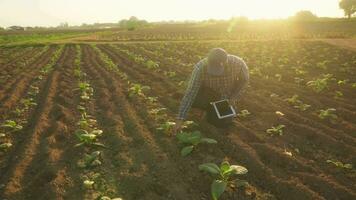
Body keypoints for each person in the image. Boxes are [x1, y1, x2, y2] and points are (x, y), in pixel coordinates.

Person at [174, 48, 249, 134]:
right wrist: (180, 119)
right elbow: (190, 93)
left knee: (221, 122)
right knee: (194, 99)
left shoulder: (238, 64)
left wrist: (233, 97)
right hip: (207, 92)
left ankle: (212, 111)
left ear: (225, 63)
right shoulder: (200, 68)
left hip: (226, 95)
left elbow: (244, 80)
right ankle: (204, 107)